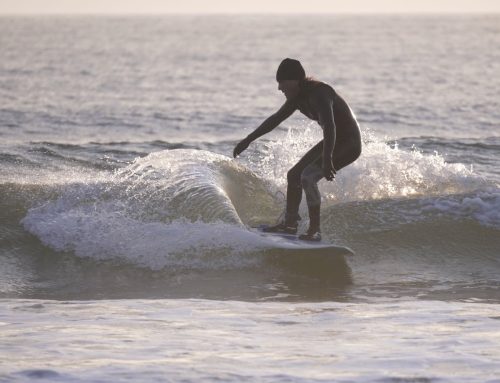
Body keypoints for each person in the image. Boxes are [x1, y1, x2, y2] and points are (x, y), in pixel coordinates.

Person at [233, 58, 362, 241]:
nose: (279, 88)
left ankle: (315, 231)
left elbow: (329, 126)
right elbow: (275, 119)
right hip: (332, 141)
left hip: (349, 143)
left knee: (308, 176)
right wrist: (248, 140)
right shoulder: (297, 98)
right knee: (294, 175)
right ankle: (290, 224)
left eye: (282, 83)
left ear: (294, 80)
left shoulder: (320, 93)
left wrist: (327, 160)